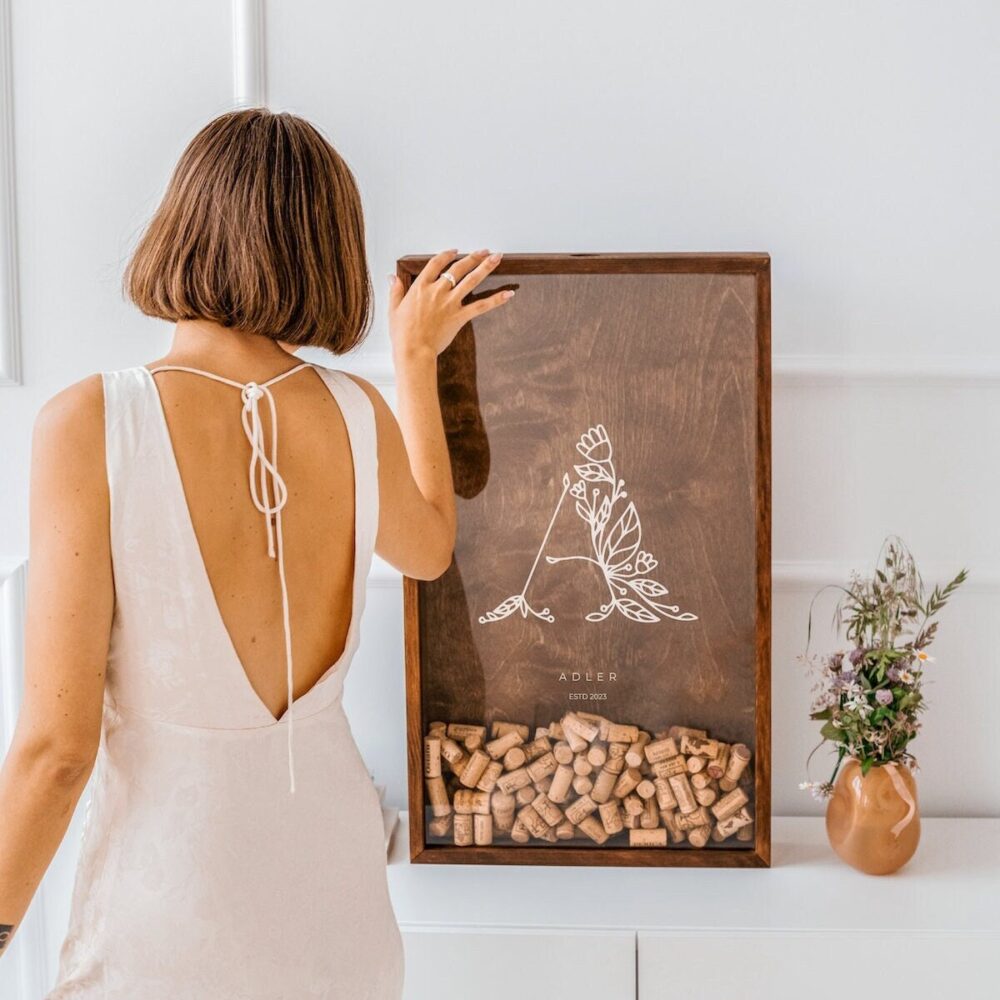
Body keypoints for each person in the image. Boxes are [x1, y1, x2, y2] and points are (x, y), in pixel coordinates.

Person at [0, 107, 513, 997]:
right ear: (325, 251)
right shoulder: (354, 414)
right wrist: (414, 359)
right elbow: (430, 546)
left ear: (182, 227)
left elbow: (57, 752)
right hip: (336, 920)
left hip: (164, 934)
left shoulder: (90, 424)